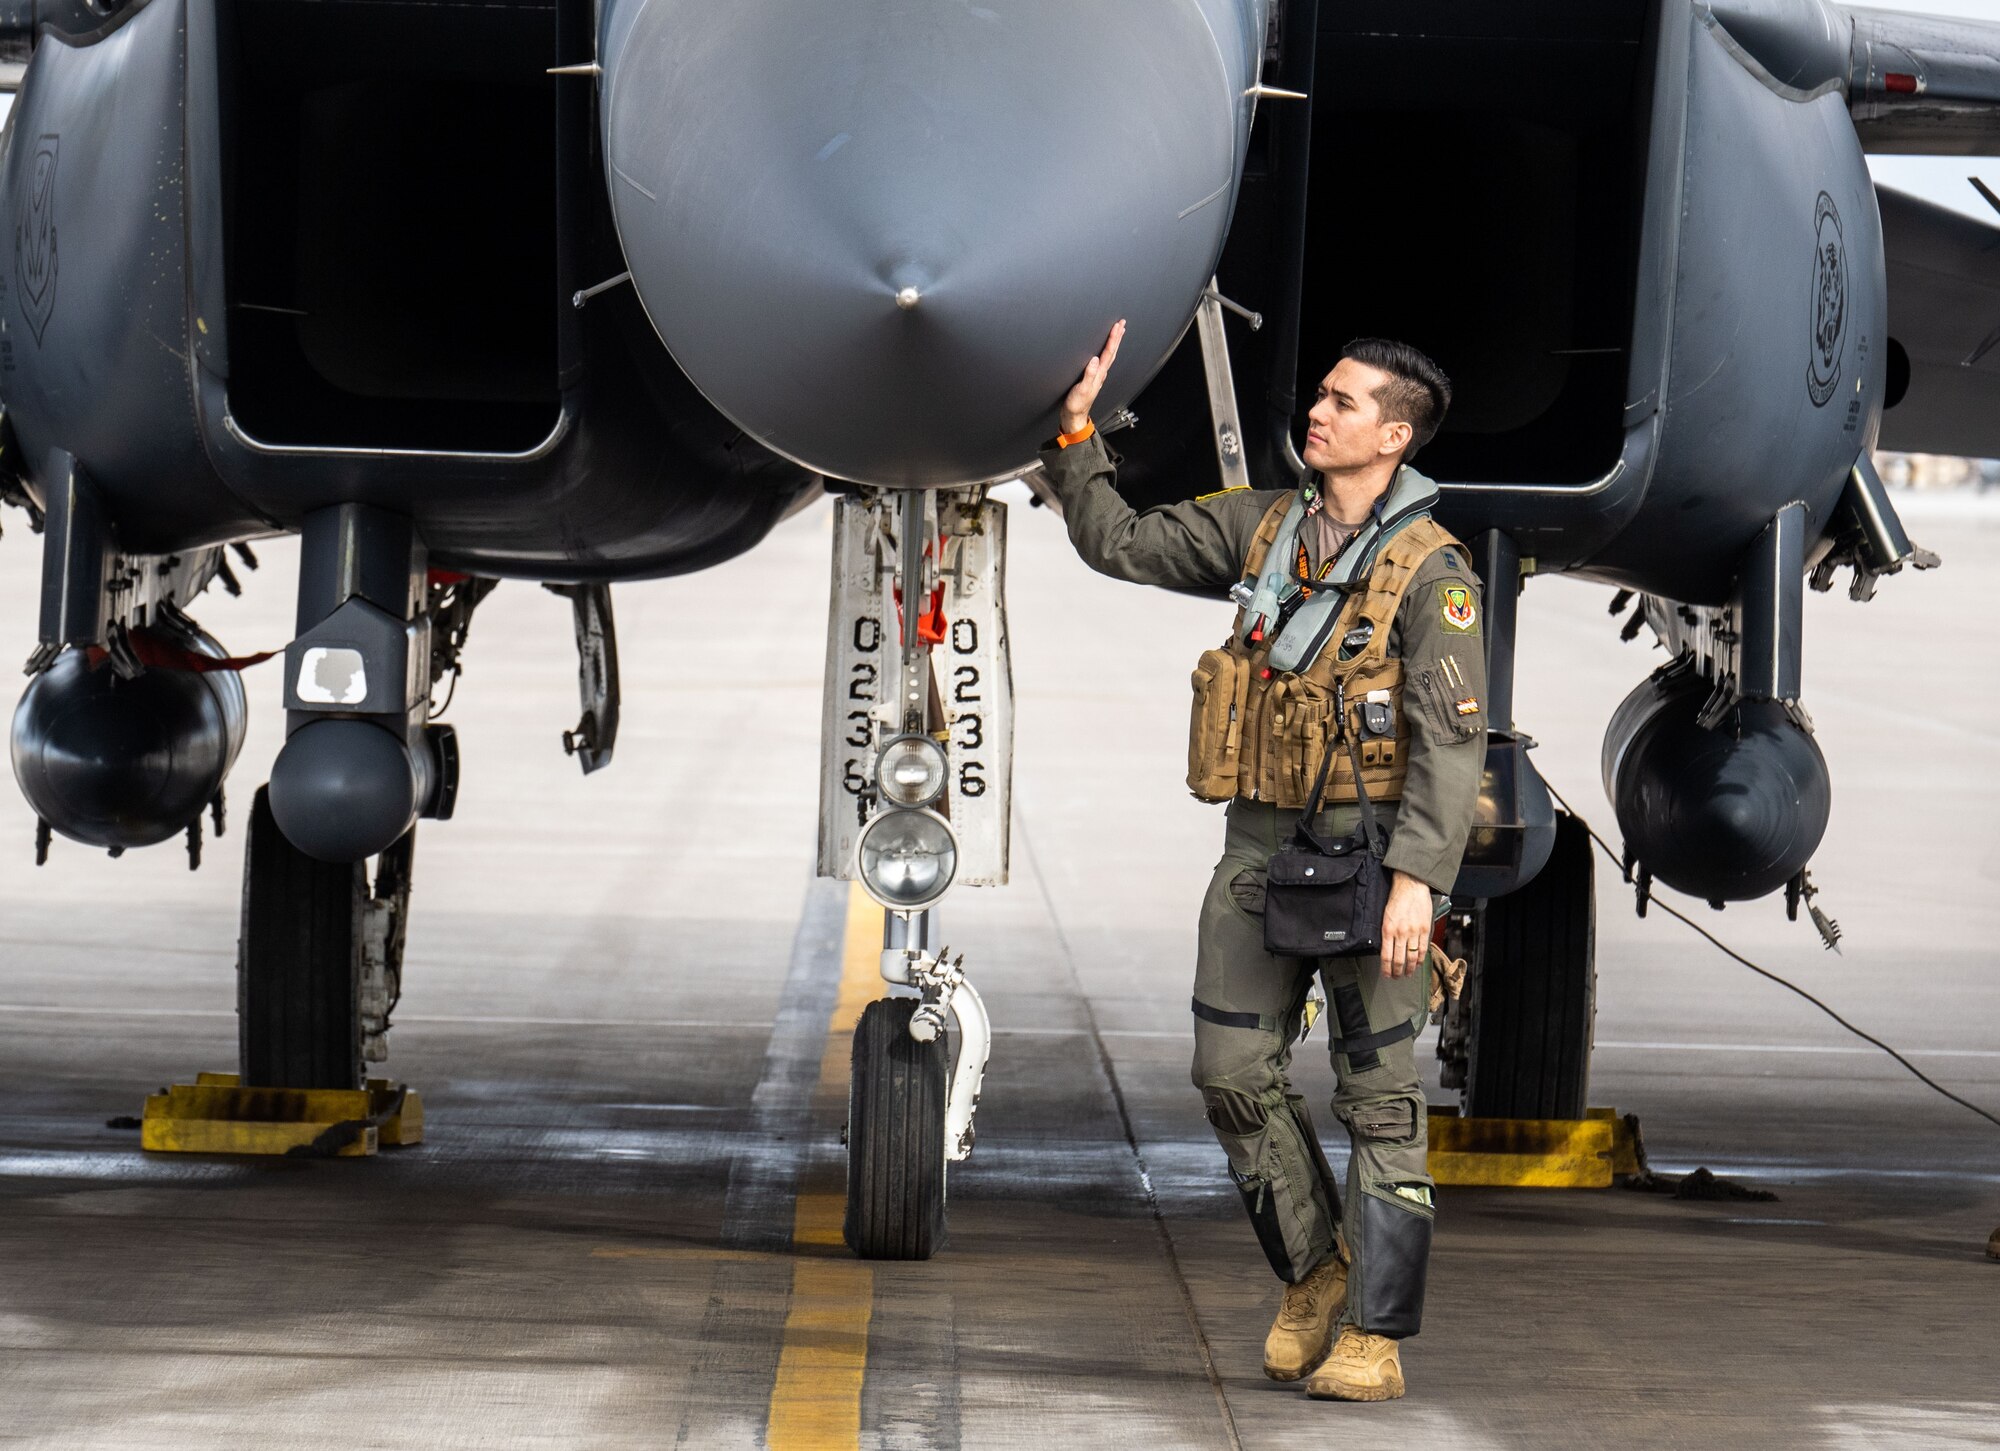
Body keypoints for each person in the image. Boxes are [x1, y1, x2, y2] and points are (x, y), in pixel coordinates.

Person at [1040, 323, 1486, 1402]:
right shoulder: (1263, 529)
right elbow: (1121, 542)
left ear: (1392, 433)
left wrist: (1419, 886)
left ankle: (1373, 1336)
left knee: (1379, 1100)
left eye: (1341, 402)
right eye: (1319, 396)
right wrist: (1073, 432)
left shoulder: (1434, 574)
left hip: (1376, 860)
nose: (1316, 412)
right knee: (1228, 1074)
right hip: (1259, 845)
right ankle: (1313, 1270)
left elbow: (1452, 735)